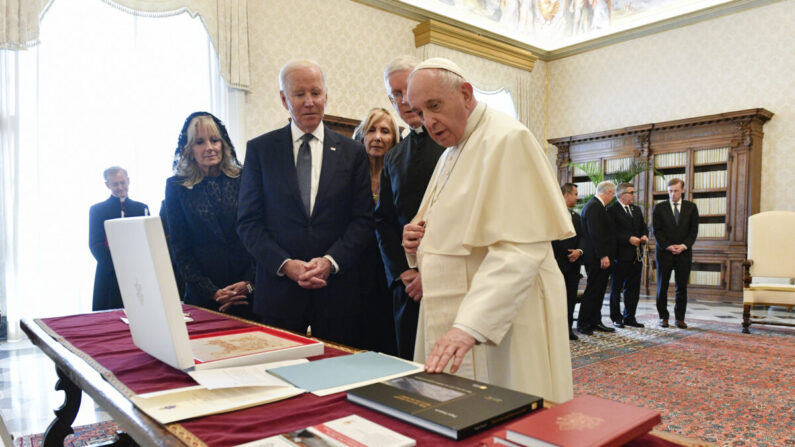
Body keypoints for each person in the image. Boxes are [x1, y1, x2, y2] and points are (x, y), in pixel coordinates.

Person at [401, 58, 574, 403]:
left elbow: (519, 249)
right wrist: (415, 241)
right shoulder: (451, 151)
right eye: (420, 112)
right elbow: (444, 229)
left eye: (434, 106)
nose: (428, 122)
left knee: (512, 405)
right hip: (455, 305)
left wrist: (470, 325)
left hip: (508, 318)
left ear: (465, 94)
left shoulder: (508, 139)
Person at [237, 59, 374, 348]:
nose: (309, 102)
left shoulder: (353, 152)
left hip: (337, 293)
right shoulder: (260, 150)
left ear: (326, 95)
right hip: (279, 294)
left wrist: (330, 262)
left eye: (316, 92)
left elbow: (362, 220)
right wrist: (285, 265)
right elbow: (248, 223)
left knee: (339, 382)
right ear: (284, 99)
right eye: (299, 94)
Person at [375, 55, 446, 360]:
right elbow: (383, 222)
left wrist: (430, 275)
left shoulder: (454, 144)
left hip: (449, 282)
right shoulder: (393, 157)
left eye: (407, 90)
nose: (403, 101)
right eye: (395, 95)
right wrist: (404, 272)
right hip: (407, 288)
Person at [165, 112, 256, 319]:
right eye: (199, 142)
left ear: (223, 143)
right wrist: (213, 292)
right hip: (203, 299)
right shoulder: (176, 186)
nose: (209, 147)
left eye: (214, 140)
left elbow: (259, 233)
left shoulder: (244, 177)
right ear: (189, 150)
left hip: (248, 294)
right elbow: (180, 248)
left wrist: (249, 283)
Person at [352, 107, 400, 355]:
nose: (378, 137)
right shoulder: (348, 176)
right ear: (362, 135)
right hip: (355, 273)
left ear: (394, 139)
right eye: (371, 130)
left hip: (389, 273)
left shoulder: (400, 176)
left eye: (385, 131)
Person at [89, 167, 149, 311]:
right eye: (115, 184)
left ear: (128, 181)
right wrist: (117, 268)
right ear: (107, 185)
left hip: (137, 271)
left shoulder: (141, 208)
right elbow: (95, 244)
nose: (120, 187)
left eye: (123, 182)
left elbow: (147, 239)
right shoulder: (97, 210)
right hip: (110, 273)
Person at [652, 178, 699, 329]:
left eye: (676, 191)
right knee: (662, 286)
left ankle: (680, 318)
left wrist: (684, 246)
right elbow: (656, 231)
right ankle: (663, 317)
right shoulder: (659, 208)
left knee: (681, 287)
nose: (673, 194)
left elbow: (693, 231)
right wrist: (668, 246)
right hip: (664, 253)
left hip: (683, 253)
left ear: (683, 190)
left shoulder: (691, 207)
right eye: (670, 191)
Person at [577, 180, 617, 335]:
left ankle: (595, 321)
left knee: (599, 290)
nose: (612, 197)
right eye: (612, 194)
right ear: (608, 192)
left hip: (598, 256)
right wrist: (603, 255)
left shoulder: (598, 206)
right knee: (593, 290)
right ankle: (584, 323)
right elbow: (596, 234)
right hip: (596, 257)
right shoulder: (594, 206)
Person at [606, 182, 648, 328]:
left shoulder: (636, 209)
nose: (634, 195)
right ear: (622, 195)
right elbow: (611, 233)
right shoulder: (611, 210)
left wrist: (644, 235)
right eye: (631, 192)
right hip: (619, 256)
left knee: (633, 288)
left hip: (636, 256)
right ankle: (616, 317)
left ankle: (630, 317)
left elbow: (643, 226)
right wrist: (628, 239)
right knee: (616, 289)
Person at [552, 183, 584, 341]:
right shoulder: (553, 215)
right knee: (556, 301)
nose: (577, 197)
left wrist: (579, 252)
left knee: (570, 299)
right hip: (557, 264)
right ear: (566, 195)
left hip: (573, 266)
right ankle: (555, 331)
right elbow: (551, 240)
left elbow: (583, 238)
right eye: (575, 194)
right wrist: (565, 255)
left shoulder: (576, 216)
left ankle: (568, 329)